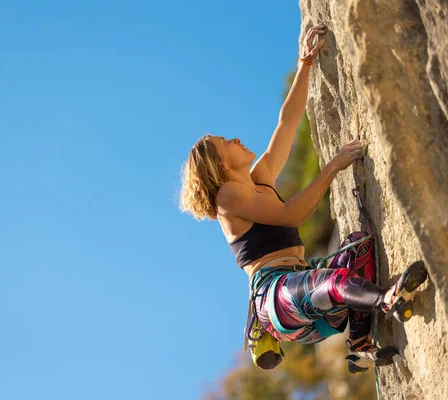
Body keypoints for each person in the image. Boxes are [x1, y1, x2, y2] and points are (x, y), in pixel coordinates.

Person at [179, 23, 428, 373]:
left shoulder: (258, 179)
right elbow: (292, 215)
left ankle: (360, 346)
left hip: (308, 298)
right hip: (278, 301)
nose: (236, 139)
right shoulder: (228, 195)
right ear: (220, 164)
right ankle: (387, 300)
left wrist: (305, 64)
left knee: (359, 246)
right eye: (227, 142)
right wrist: (333, 166)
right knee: (331, 281)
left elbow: (288, 121)